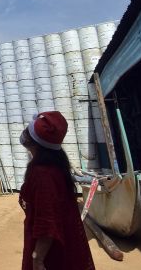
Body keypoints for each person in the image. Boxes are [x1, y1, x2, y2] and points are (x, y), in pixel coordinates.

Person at [18, 111, 95, 270]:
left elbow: (47, 221)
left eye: (28, 131)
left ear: (35, 142)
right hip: (65, 239)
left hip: (52, 252)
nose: (24, 134)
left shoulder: (42, 174)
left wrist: (38, 258)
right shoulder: (56, 165)